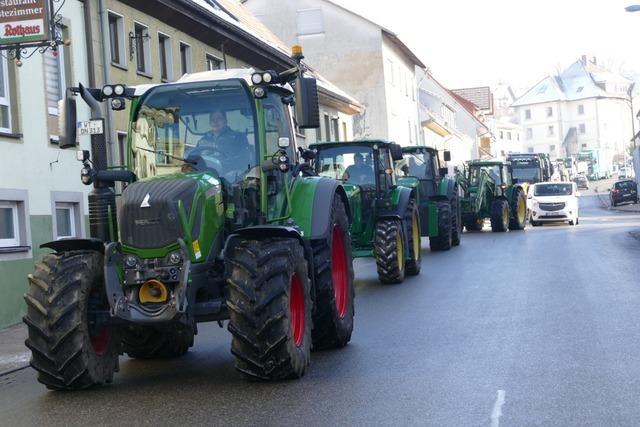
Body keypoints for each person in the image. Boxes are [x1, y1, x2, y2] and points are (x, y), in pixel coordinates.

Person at [191, 109, 253, 180]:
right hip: (205, 176)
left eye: (219, 118)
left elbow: (243, 159)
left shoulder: (238, 137)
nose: (215, 121)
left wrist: (221, 165)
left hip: (228, 178)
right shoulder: (202, 141)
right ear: (210, 123)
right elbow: (194, 159)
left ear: (225, 121)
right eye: (212, 119)